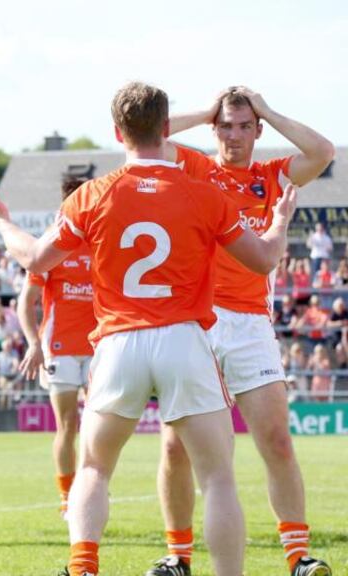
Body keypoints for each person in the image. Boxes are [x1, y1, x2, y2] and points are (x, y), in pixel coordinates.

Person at [0, 81, 294, 576]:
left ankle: (83, 565)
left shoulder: (93, 195)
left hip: (119, 343)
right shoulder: (204, 192)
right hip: (184, 339)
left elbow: (36, 257)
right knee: (217, 479)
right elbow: (263, 259)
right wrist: (278, 221)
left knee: (94, 467)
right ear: (167, 130)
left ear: (116, 133)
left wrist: (1, 222)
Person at [150, 86, 335, 576]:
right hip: (194, 322)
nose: (234, 135)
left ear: (257, 130)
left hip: (251, 323)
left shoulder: (272, 177)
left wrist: (270, 110)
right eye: (225, 125)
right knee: (175, 446)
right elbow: (152, 134)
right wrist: (207, 111)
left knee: (276, 440)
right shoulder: (195, 167)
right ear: (215, 128)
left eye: (243, 125)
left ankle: (297, 556)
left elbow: (322, 152)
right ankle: (178, 557)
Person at [17, 174, 96, 520]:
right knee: (68, 425)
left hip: (99, 348)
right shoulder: (53, 247)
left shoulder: (103, 243)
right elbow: (26, 302)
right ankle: (67, 497)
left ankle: (92, 487)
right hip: (60, 347)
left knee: (97, 425)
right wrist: (34, 342)